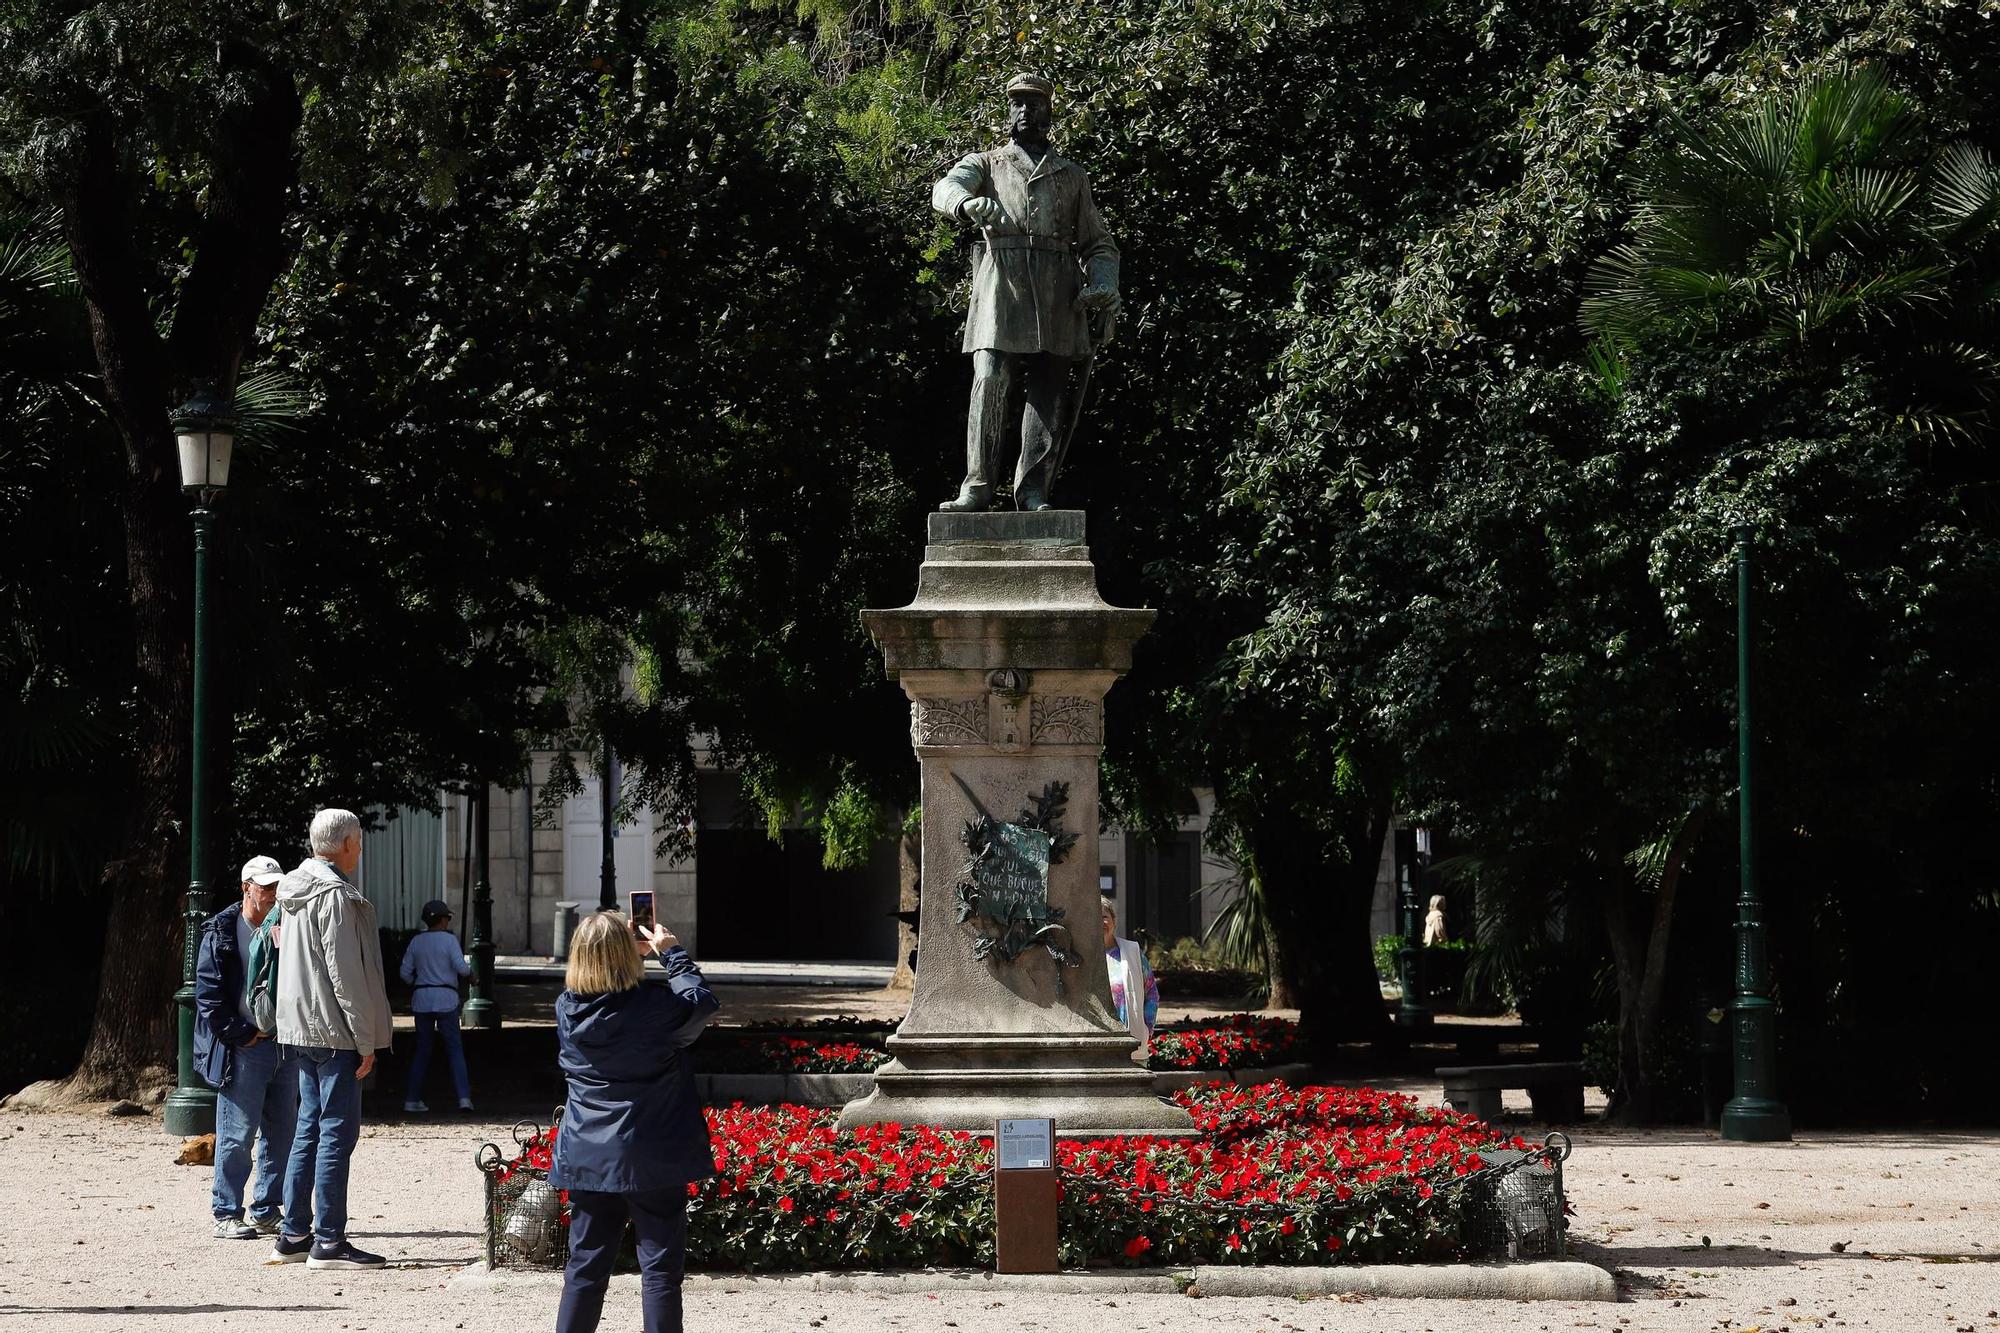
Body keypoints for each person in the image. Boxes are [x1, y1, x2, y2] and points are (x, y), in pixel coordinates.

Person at [931, 71, 1120, 512]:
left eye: (1033, 104)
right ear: (1008, 111)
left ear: (1048, 113)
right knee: (989, 377)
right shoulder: (986, 163)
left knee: (1049, 392)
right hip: (1003, 286)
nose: (1024, 111)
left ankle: (1033, 490)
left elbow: (1098, 244)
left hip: (1059, 293)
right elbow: (944, 188)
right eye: (1017, 103)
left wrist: (1104, 283)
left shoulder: (1071, 175)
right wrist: (966, 203)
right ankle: (977, 486)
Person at [550, 911, 720, 1333]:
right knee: (660, 1271)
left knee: (584, 1269)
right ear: (626, 954)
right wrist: (670, 953)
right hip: (651, 1149)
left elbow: (608, 990)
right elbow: (701, 1004)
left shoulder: (567, 1008)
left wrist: (627, 954)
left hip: (588, 1151)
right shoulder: (654, 1007)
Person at [270, 807, 394, 1270]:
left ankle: (293, 1234)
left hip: (299, 1026)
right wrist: (365, 1040)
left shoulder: (292, 891)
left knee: (308, 1129)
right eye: (358, 841)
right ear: (345, 844)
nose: (360, 849)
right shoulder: (335, 896)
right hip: (334, 1030)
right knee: (336, 1135)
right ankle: (329, 1240)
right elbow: (346, 977)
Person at [193, 854, 296, 1240]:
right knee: (237, 1135)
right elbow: (208, 995)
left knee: (281, 1134)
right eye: (265, 886)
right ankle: (226, 1211)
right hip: (245, 1047)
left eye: (277, 887)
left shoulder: (287, 924)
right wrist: (241, 1034)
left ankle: (266, 1209)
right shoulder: (221, 930)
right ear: (245, 888)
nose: (272, 893)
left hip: (284, 1044)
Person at [399, 898, 473, 1114]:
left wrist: (418, 983)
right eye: (447, 917)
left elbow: (404, 973)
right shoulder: (449, 940)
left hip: (422, 998)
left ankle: (412, 1099)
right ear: (442, 920)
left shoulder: (417, 941)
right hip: (446, 998)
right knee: (455, 1051)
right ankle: (464, 1099)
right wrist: (472, 976)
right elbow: (462, 968)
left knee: (422, 1051)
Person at [1101, 897, 1157, 1052]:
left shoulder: (1132, 952)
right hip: (1095, 1041)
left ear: (1114, 921)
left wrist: (1146, 1029)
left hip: (1131, 1038)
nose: (1100, 923)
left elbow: (1152, 992)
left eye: (1104, 916)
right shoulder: (1083, 957)